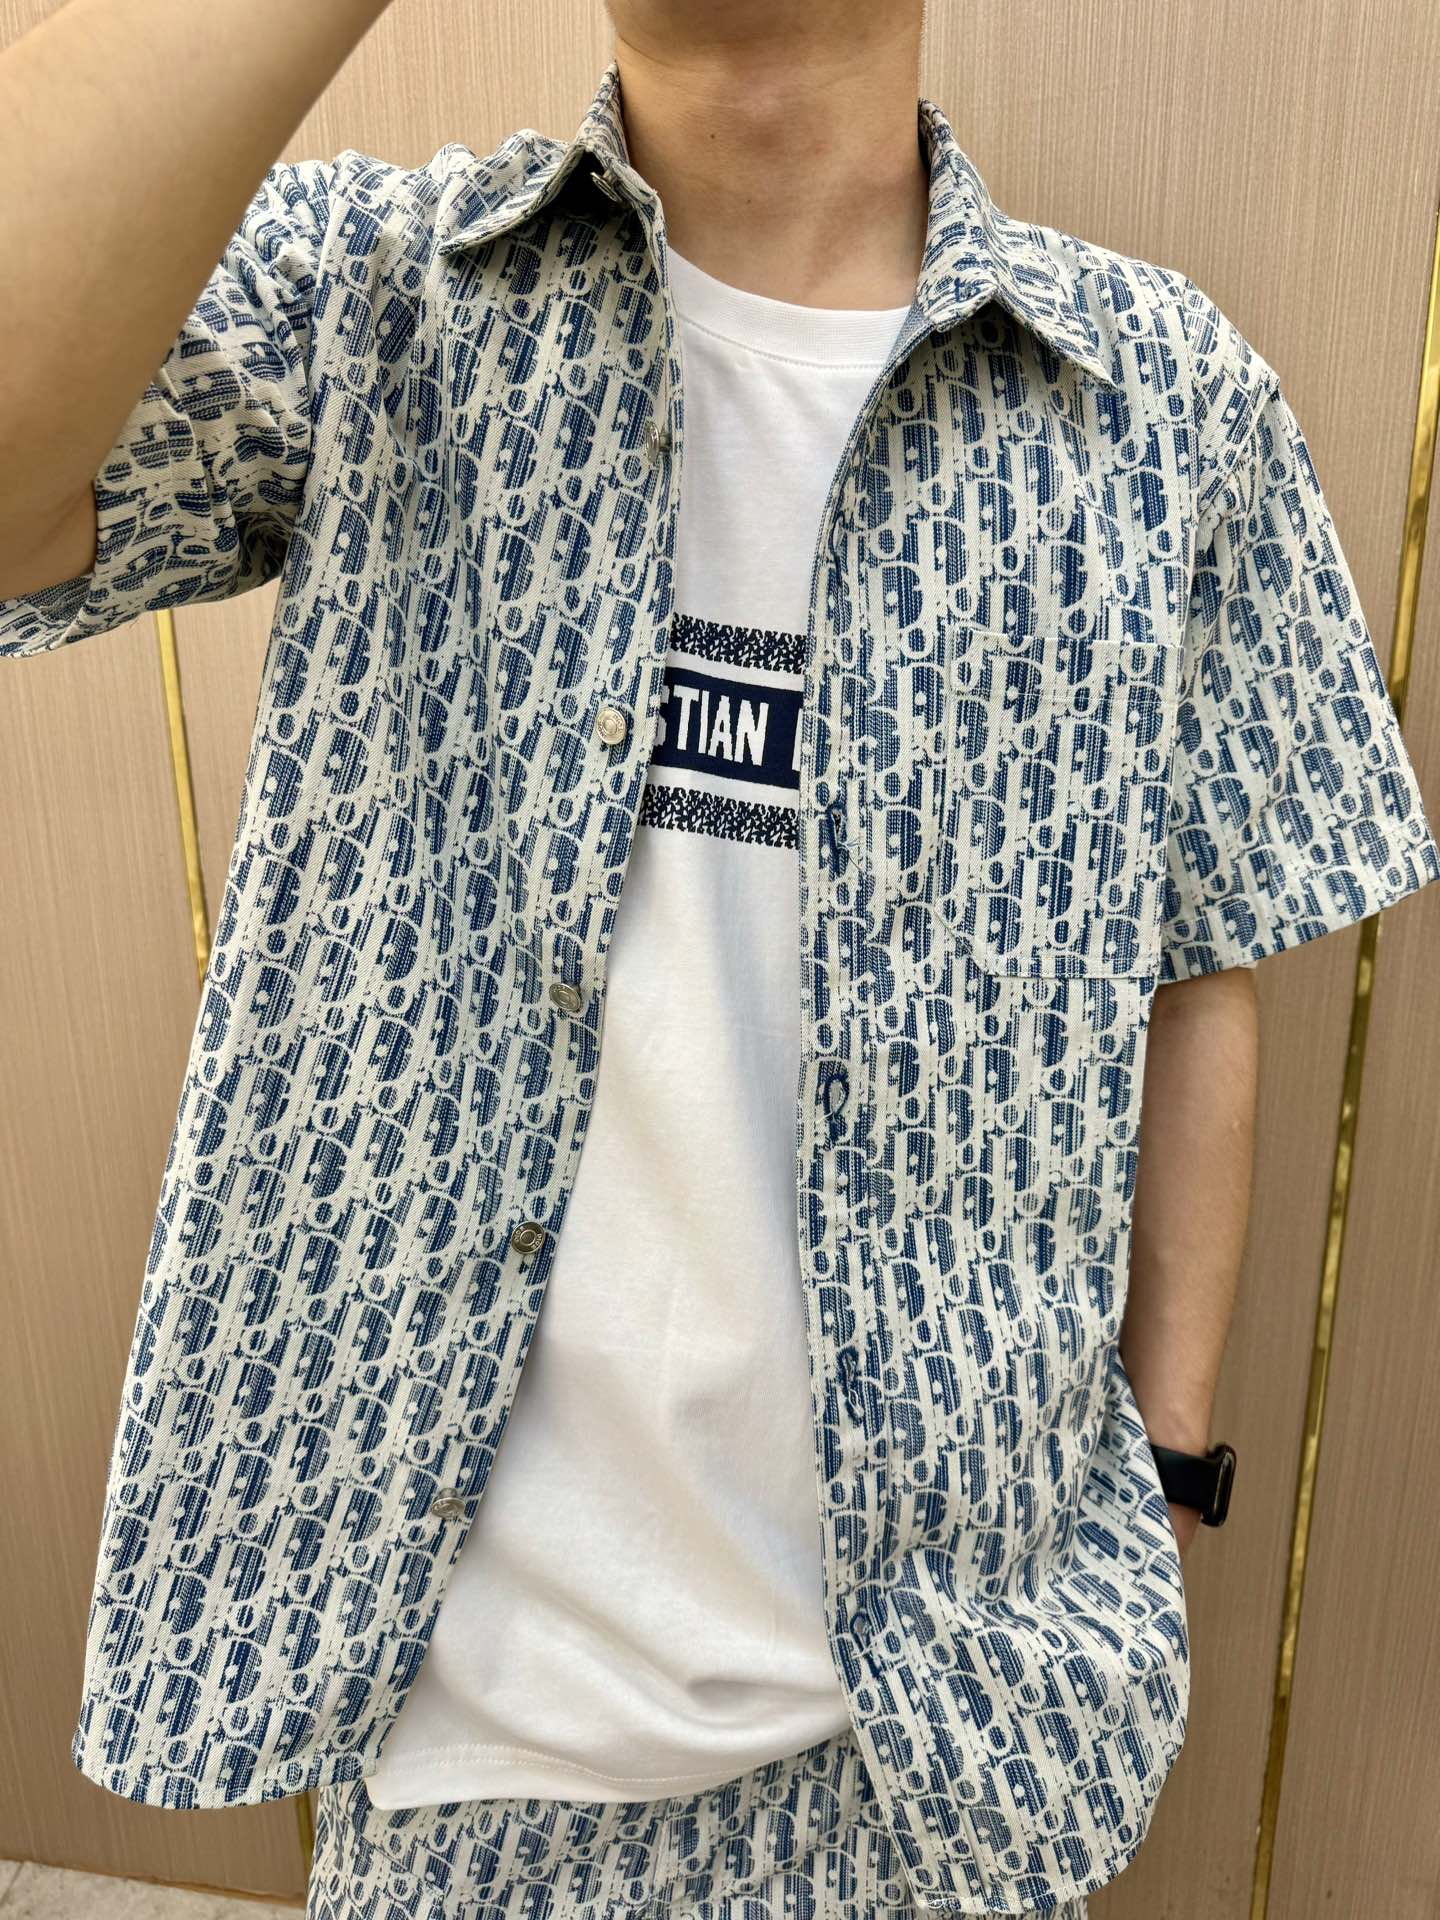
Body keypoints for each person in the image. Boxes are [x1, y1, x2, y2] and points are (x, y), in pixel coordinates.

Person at [2, 0, 1437, 1915]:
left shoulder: (1166, 404)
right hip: (463, 1766)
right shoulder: (377, 299)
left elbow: (1202, 964)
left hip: (956, 1754)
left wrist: (1168, 1478)